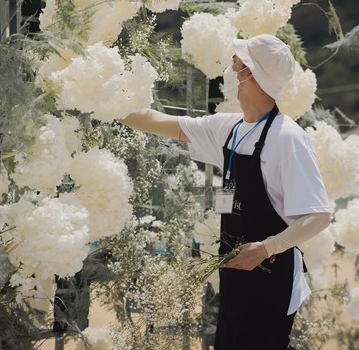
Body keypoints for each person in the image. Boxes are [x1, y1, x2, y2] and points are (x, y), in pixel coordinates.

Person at [120, 34, 331, 349]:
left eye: (237, 65)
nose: (231, 72)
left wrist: (266, 248)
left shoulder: (288, 138)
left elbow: (319, 216)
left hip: (270, 278)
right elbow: (169, 125)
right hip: (235, 274)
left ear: (252, 74)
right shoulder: (231, 128)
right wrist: (104, 105)